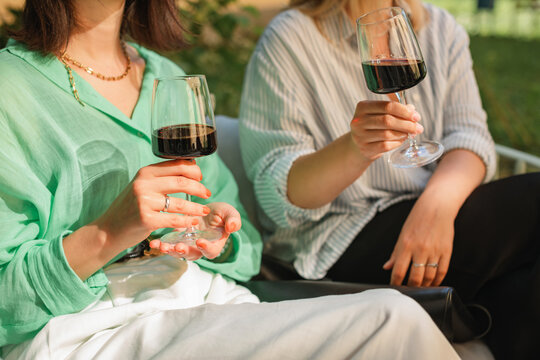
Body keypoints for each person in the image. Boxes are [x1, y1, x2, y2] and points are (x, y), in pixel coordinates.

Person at [0, 0, 461, 359]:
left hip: (202, 298)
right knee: (392, 319)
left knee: (396, 323)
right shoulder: (10, 87)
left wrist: (213, 232)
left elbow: (243, 243)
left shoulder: (168, 78)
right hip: (92, 328)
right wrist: (107, 233)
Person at [239, 0, 540, 358]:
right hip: (337, 241)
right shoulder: (289, 39)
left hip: (429, 210)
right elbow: (280, 193)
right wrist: (355, 148)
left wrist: (434, 212)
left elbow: (470, 137)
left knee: (520, 287)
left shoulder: (440, 28)